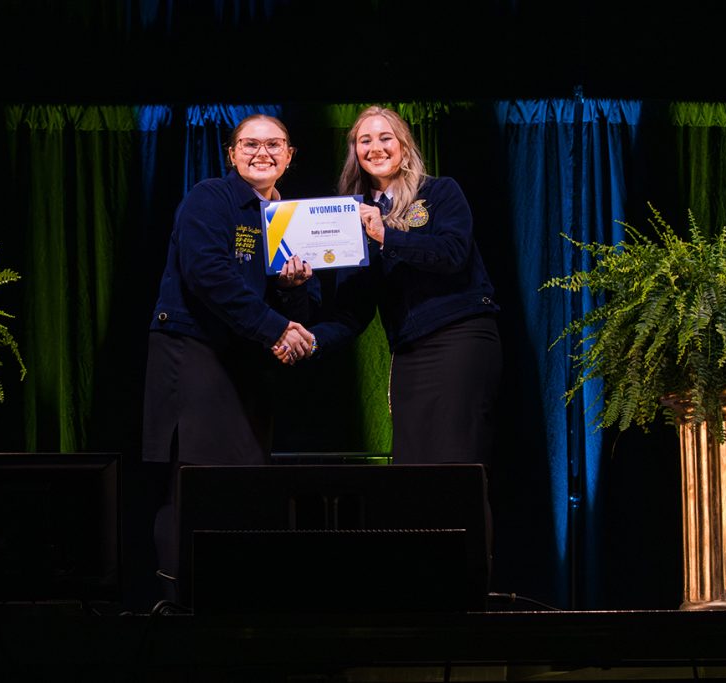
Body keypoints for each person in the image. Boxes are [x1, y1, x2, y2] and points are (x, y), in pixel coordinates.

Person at [141, 113, 318, 602]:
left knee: (244, 478)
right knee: (195, 480)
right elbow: (207, 274)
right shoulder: (210, 198)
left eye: (274, 144)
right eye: (249, 144)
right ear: (231, 153)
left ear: (289, 155)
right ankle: (180, 603)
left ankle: (233, 598)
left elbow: (298, 301)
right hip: (193, 350)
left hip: (245, 363)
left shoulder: (289, 218)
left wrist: (292, 296)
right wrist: (277, 329)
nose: (262, 153)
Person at [302, 105, 502, 466]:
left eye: (385, 137)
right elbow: (352, 311)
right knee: (413, 464)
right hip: (409, 352)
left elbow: (452, 253)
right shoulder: (352, 217)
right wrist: (310, 339)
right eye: (365, 140)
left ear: (404, 147)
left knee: (457, 460)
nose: (375, 147)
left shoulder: (440, 193)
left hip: (459, 337)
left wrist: (386, 235)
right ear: (355, 153)